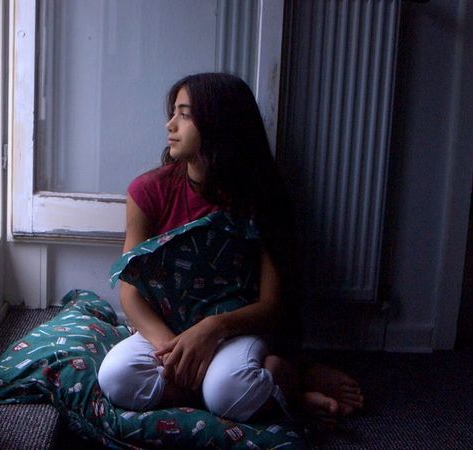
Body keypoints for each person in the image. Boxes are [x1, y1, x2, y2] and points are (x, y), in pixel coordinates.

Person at [97, 72, 363, 428]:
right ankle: (279, 391)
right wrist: (173, 350)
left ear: (219, 124)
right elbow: (130, 290)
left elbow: (272, 305)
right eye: (173, 112)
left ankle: (287, 377)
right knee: (116, 378)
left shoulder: (264, 198)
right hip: (168, 327)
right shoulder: (148, 192)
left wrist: (210, 330)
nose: (169, 124)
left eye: (184, 114)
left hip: (234, 329)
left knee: (228, 391)